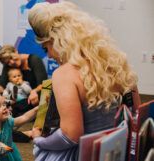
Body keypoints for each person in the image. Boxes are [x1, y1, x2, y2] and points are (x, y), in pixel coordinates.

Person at [27, 2, 141, 160]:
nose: (50, 56)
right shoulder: (118, 65)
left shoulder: (64, 74)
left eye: (47, 48)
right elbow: (136, 113)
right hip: (115, 151)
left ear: (59, 41)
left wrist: (40, 141)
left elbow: (70, 136)